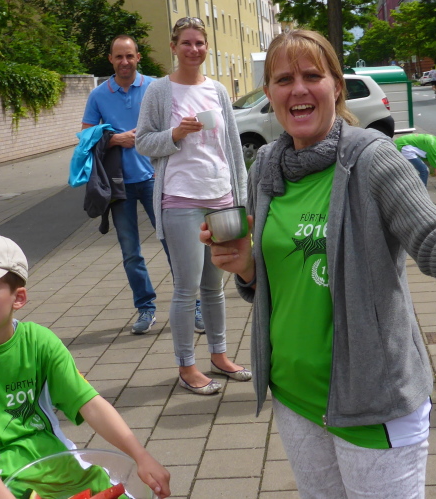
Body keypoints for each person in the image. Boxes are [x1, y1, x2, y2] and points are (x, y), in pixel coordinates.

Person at [200, 29, 436, 498]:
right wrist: (246, 267)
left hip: (372, 400)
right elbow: (279, 281)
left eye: (312, 76)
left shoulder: (373, 161)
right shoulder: (265, 168)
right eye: (283, 79)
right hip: (292, 395)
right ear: (269, 93)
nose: (298, 89)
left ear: (336, 86)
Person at [0, 234, 171, 499]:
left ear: (18, 298)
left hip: (53, 463)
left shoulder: (39, 341)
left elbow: (89, 403)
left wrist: (140, 455)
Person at [135, 17, 251, 395]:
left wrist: (241, 198)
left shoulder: (217, 90)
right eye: (186, 43)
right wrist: (175, 133)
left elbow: (232, 148)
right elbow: (143, 142)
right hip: (181, 199)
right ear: (174, 47)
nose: (194, 49)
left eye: (200, 43)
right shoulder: (159, 90)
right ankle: (187, 367)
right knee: (187, 289)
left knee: (215, 287)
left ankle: (220, 356)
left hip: (220, 198)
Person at [82, 35, 205, 335]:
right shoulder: (98, 95)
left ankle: (194, 306)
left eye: (129, 56)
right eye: (118, 56)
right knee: (131, 252)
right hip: (118, 185)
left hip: (156, 179)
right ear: (110, 60)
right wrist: (116, 139)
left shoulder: (156, 87)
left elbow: (175, 125)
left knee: (174, 246)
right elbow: (85, 137)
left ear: (138, 57)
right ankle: (146, 308)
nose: (124, 62)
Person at [394, 132, 436, 207]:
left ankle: (415, 197)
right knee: (424, 170)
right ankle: (422, 200)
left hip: (402, 144)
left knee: (418, 171)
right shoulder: (435, 150)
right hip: (403, 147)